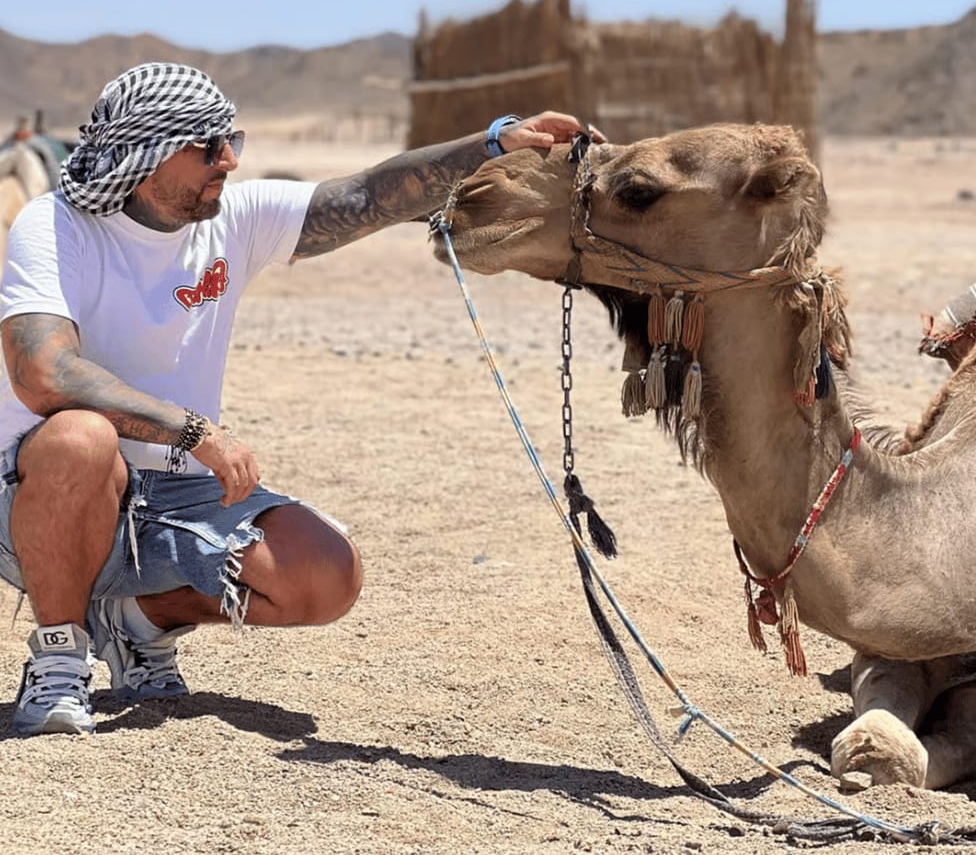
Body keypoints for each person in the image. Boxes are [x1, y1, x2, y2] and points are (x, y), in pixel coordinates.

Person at [0, 61, 602, 736]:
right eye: (207, 146)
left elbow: (368, 196)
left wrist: (493, 143)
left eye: (233, 140)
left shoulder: (234, 220)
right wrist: (194, 430)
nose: (228, 159)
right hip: (44, 494)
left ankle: (138, 620)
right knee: (81, 438)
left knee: (325, 574)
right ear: (146, 154)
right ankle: (60, 655)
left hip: (175, 497)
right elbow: (44, 371)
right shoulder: (56, 226)